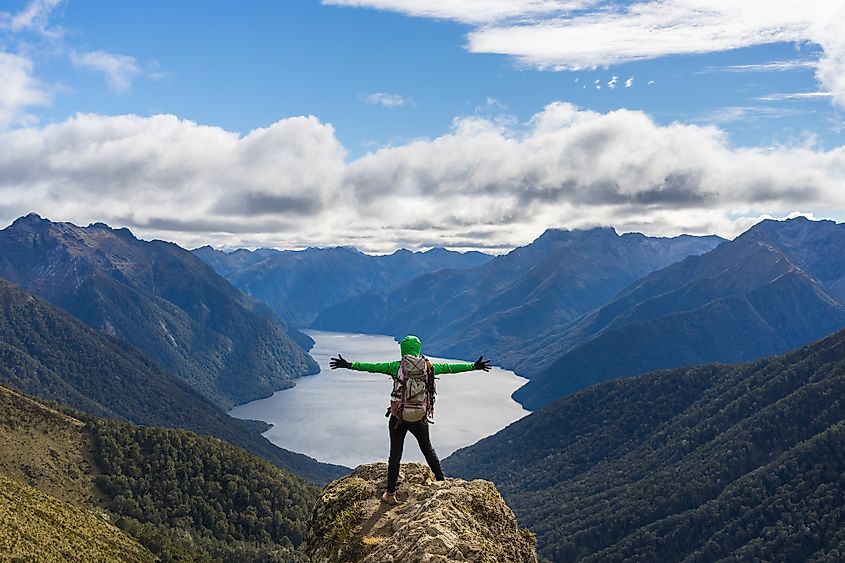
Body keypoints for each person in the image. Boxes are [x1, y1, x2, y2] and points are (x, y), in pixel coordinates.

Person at [330, 334, 491, 505]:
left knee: (395, 454)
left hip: (398, 417)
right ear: (418, 350)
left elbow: (371, 367)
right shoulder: (429, 368)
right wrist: (474, 366)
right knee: (427, 448)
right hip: (420, 417)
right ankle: (441, 481)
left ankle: (390, 494)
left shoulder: (396, 367)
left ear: (403, 350)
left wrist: (348, 365)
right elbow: (451, 368)